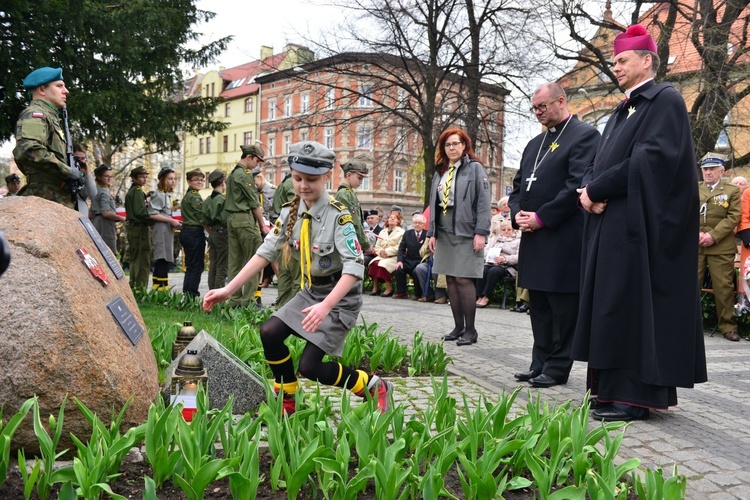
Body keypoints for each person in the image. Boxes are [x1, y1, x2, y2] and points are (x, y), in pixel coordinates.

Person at [574, 24, 707, 421]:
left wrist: (596, 190)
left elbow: (650, 161)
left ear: (647, 61)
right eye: (613, 61)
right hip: (611, 224)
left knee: (631, 306)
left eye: (622, 60)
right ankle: (608, 389)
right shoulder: (621, 109)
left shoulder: (663, 99)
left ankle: (633, 397)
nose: (614, 67)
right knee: (610, 305)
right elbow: (598, 162)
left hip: (639, 229)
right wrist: (587, 191)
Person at [203, 141, 393, 415]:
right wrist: (228, 290)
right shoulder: (290, 212)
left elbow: (354, 268)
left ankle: (373, 385)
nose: (304, 185)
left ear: (327, 177)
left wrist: (326, 306)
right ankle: (288, 397)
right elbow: (264, 253)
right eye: (298, 178)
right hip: (312, 291)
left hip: (339, 298)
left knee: (310, 367)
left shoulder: (339, 216)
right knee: (270, 332)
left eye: (312, 180)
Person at [509, 82, 600, 388]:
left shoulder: (585, 135)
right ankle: (539, 363)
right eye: (534, 108)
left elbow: (575, 185)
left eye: (542, 106)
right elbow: (519, 185)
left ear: (561, 101)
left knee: (563, 308)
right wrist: (517, 214)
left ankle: (558, 368)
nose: (538, 113)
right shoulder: (534, 144)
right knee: (540, 307)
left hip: (562, 237)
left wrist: (541, 217)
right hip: (533, 237)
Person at [427, 127, 491, 346]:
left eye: (456, 143)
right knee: (451, 279)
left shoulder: (475, 169)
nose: (452, 148)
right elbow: (432, 204)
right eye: (448, 144)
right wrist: (431, 233)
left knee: (464, 278)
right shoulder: (440, 170)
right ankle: (458, 327)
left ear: (465, 145)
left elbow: (483, 203)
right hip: (444, 229)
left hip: (466, 229)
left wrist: (481, 232)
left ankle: (471, 330)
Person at [12, 67, 83, 210]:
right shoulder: (36, 114)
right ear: (42, 90)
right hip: (45, 198)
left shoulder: (50, 117)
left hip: (55, 196)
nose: (66, 91)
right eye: (59, 86)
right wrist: (67, 171)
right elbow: (29, 149)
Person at [697, 153, 741, 341]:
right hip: (695, 244)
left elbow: (733, 217)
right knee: (690, 285)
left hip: (721, 246)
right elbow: (684, 212)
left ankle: (728, 327)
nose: (708, 172)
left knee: (723, 287)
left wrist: (713, 236)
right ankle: (689, 324)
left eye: (712, 169)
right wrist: (697, 233)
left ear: (722, 171)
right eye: (705, 169)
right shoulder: (694, 188)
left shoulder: (731, 190)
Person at [224, 145, 269, 308]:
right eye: (257, 160)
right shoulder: (244, 174)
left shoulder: (233, 174)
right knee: (254, 261)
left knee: (235, 262)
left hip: (232, 219)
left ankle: (235, 300)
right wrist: (263, 226)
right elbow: (254, 202)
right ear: (249, 157)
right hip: (244, 220)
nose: (258, 164)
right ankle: (249, 301)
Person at [271, 167, 301, 308]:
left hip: (285, 234)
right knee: (296, 279)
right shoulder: (291, 183)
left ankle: (280, 310)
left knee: (285, 277)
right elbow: (296, 208)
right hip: (293, 235)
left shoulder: (284, 182)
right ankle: (292, 313)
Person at [149, 167, 182, 290]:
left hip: (166, 228)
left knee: (165, 258)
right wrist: (171, 220)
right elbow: (153, 214)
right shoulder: (159, 194)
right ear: (163, 180)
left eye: (174, 179)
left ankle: (160, 287)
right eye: (170, 178)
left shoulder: (167, 195)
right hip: (161, 228)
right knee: (162, 258)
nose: (173, 181)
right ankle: (161, 288)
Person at [475, 220, 519, 308]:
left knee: (494, 271)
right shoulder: (495, 239)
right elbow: (484, 251)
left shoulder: (518, 241)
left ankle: (486, 297)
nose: (506, 231)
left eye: (509, 229)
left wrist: (504, 259)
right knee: (482, 269)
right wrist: (491, 257)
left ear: (513, 231)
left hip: (508, 266)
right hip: (492, 263)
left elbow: (518, 257)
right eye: (503, 229)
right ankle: (479, 296)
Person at [335, 159, 372, 256]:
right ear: (348, 175)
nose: (361, 182)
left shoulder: (349, 193)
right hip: (347, 242)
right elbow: (354, 223)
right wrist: (366, 244)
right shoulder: (344, 194)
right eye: (359, 178)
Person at [179, 169, 206, 298]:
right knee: (196, 265)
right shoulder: (194, 196)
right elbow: (201, 216)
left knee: (191, 265)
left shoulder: (189, 195)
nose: (200, 182)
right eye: (196, 179)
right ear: (189, 181)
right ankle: (192, 294)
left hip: (187, 231)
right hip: (194, 232)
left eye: (202, 179)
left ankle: (188, 293)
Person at [125, 166, 152, 290]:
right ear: (134, 178)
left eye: (146, 176)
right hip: (139, 228)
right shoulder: (136, 191)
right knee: (142, 260)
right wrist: (154, 219)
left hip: (134, 228)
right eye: (141, 177)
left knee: (136, 259)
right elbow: (140, 212)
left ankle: (134, 286)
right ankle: (140, 288)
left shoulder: (136, 191)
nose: (144, 179)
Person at [368, 211, 405, 297]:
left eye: (394, 218)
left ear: (398, 221)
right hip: (381, 255)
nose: (391, 219)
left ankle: (389, 288)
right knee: (373, 263)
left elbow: (400, 247)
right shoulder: (383, 232)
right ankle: (375, 287)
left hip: (394, 256)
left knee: (383, 265)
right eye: (390, 217)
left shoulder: (402, 232)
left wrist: (387, 252)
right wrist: (380, 251)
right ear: (387, 220)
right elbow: (377, 246)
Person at [203, 169, 229, 290]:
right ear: (223, 183)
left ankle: (211, 293)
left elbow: (203, 219)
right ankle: (219, 298)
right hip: (222, 233)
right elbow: (225, 219)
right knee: (222, 267)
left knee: (213, 266)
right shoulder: (223, 200)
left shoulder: (207, 200)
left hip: (212, 233)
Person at [91, 164, 125, 255]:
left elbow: (91, 212)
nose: (109, 179)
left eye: (111, 176)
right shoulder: (104, 192)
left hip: (97, 222)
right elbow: (105, 213)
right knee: (108, 253)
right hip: (105, 223)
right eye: (106, 176)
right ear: (99, 177)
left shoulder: (95, 189)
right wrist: (121, 218)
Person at [393, 213, 428, 299]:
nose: (417, 225)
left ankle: (418, 294)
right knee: (399, 269)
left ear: (424, 225)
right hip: (408, 260)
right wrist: (400, 261)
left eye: (419, 223)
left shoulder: (427, 235)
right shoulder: (407, 233)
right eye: (415, 222)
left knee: (416, 271)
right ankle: (401, 292)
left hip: (420, 260)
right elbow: (401, 248)